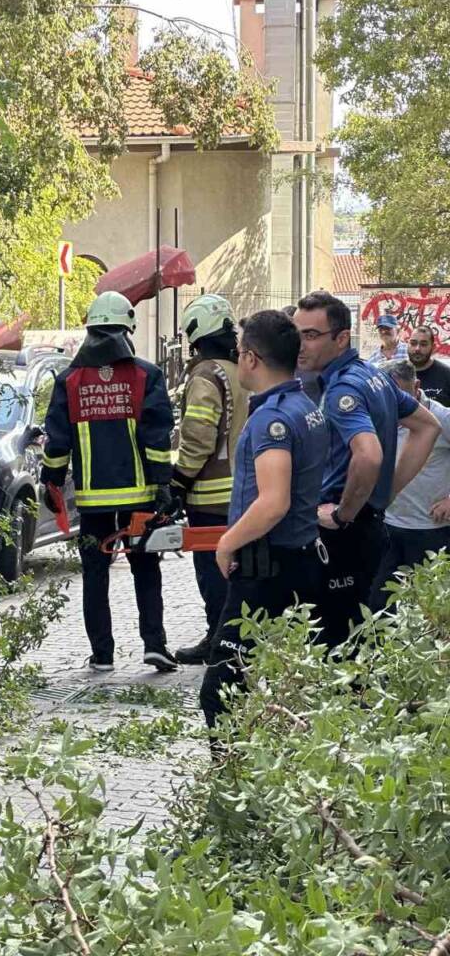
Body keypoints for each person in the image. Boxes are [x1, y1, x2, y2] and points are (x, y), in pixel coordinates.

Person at [200, 309, 327, 731]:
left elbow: (274, 502)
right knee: (285, 688)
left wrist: (227, 542)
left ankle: (230, 771)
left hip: (266, 571)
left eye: (239, 351)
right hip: (298, 561)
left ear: (251, 358)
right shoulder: (305, 406)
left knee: (220, 692)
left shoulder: (272, 418)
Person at [292, 291, 441, 651]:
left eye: (311, 335)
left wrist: (344, 513)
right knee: (360, 638)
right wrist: (384, 492)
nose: (300, 345)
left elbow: (369, 455)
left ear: (342, 338)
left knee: (336, 646)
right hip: (367, 526)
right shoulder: (373, 375)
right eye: (296, 334)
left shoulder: (344, 388)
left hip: (341, 533)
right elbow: (427, 427)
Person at [41, 291, 178, 673]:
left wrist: (51, 483)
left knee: (95, 575)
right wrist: (163, 485)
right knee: (145, 569)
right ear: (127, 328)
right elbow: (157, 438)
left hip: (92, 503)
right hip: (140, 499)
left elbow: (57, 443)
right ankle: (155, 645)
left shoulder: (69, 380)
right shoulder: (146, 375)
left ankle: (102, 654)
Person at [168, 295, 249, 665]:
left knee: (212, 573)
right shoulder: (242, 371)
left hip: (210, 497)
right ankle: (236, 639)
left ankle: (218, 642)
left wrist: (178, 482)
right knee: (237, 571)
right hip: (244, 492)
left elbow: (199, 436)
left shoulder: (205, 375)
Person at [370, 359, 450, 606]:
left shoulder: (442, 418)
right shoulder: (380, 416)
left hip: (431, 530)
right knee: (378, 606)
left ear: (416, 387)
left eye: (399, 396)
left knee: (428, 609)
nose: (393, 405)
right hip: (388, 526)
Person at [407, 324, 450, 407]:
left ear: (433, 347)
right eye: (413, 343)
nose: (417, 349)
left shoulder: (447, 375)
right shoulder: (396, 374)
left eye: (423, 344)